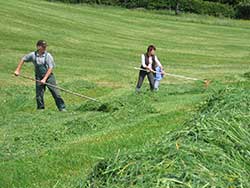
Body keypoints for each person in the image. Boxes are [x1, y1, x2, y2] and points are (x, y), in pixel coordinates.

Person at [14, 40, 66, 111]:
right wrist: (17, 70)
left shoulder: (48, 56)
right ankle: (40, 109)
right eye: (43, 47)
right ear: (38, 47)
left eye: (45, 47)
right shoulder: (33, 55)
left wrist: (44, 79)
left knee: (55, 93)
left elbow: (50, 68)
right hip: (38, 77)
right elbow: (23, 59)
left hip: (49, 77)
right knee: (39, 95)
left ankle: (62, 108)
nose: (45, 48)